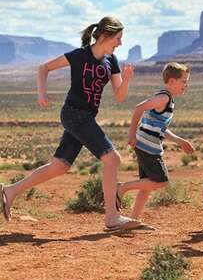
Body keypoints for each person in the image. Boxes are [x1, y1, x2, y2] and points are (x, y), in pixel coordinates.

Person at [0, 17, 139, 230]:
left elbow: (120, 96)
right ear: (104, 36)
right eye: (118, 38)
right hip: (74, 114)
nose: (120, 43)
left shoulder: (112, 61)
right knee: (113, 159)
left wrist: (127, 79)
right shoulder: (80, 55)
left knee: (60, 166)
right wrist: (42, 94)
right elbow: (44, 68)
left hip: (86, 117)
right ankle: (112, 217)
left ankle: (10, 191)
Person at [116, 62, 194, 221]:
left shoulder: (168, 99)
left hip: (147, 145)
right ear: (172, 81)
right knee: (161, 181)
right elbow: (139, 108)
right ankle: (122, 188)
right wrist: (131, 136)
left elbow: (161, 128)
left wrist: (179, 141)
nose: (186, 85)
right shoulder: (164, 98)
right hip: (147, 147)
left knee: (147, 185)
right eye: (184, 81)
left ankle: (133, 220)